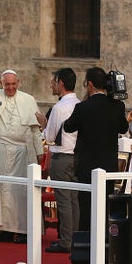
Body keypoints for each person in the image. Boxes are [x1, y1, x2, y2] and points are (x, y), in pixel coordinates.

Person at [0, 69, 43, 243]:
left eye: (13, 84)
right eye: (6, 84)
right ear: (1, 84)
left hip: (23, 152)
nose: (10, 87)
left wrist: (40, 152)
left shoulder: (29, 99)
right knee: (1, 190)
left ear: (18, 83)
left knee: (21, 192)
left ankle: (25, 230)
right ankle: (5, 230)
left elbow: (35, 130)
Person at [63, 67, 128, 231]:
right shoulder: (117, 106)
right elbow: (123, 128)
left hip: (87, 167)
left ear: (90, 85)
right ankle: (106, 248)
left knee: (86, 209)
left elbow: (68, 127)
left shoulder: (83, 107)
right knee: (105, 207)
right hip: (109, 167)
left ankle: (87, 249)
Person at [41, 68, 80, 254]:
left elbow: (49, 136)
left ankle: (66, 241)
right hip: (76, 157)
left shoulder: (58, 108)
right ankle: (74, 238)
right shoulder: (80, 104)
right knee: (73, 201)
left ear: (60, 83)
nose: (51, 85)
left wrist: (43, 123)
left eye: (53, 81)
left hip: (62, 156)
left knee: (63, 201)